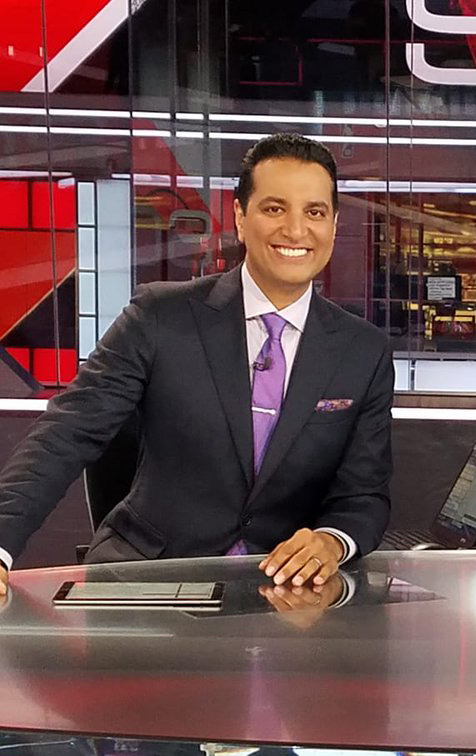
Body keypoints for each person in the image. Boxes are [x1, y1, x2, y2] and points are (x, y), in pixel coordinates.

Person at [0, 133, 393, 595]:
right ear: (240, 217)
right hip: (149, 580)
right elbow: (66, 433)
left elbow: (364, 495)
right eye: (274, 208)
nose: (295, 230)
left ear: (334, 224)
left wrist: (331, 541)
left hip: (281, 595)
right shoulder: (158, 316)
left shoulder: (363, 351)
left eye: (315, 212)